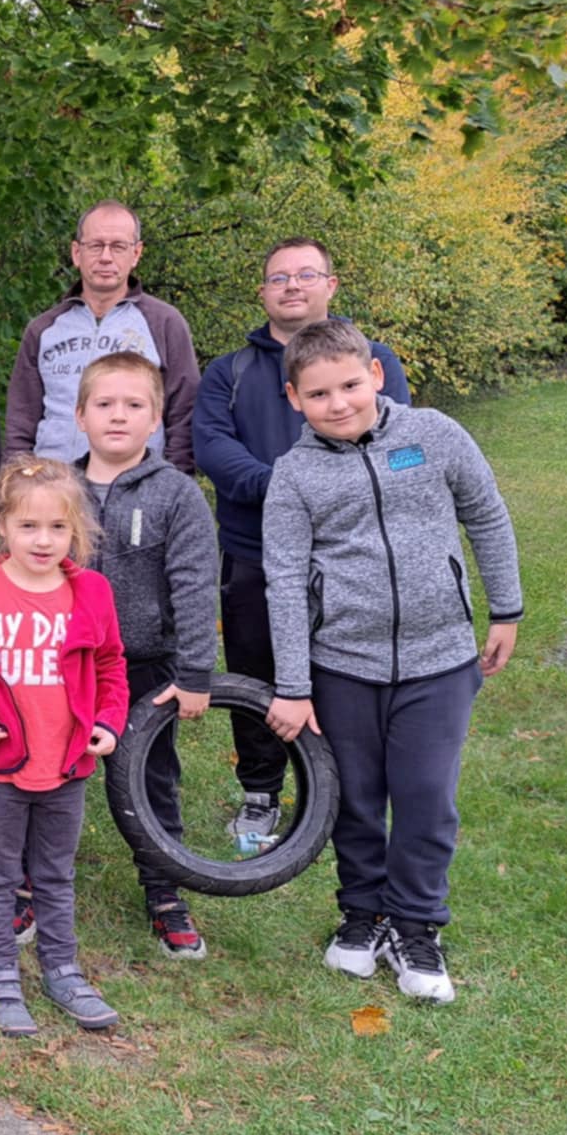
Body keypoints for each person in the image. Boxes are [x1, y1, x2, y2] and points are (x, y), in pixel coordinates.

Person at [262, 319, 521, 1005]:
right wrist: (293, 685)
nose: (338, 403)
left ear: (376, 375)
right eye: (319, 394)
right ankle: (363, 914)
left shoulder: (434, 435)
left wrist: (507, 609)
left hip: (441, 661)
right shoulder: (293, 476)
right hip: (342, 667)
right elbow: (283, 580)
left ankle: (415, 926)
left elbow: (486, 515)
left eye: (350, 385)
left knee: (426, 797)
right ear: (294, 398)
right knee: (354, 799)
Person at [193, 237, 411, 853]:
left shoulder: (375, 360)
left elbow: (393, 444)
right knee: (256, 680)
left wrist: (315, 495)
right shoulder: (229, 372)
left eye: (306, 275)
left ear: (330, 286)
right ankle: (260, 793)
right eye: (279, 277)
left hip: (349, 554)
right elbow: (212, 447)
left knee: (347, 677)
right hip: (254, 555)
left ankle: (342, 793)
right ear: (263, 292)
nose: (292, 285)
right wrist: (288, 490)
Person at [0, 456, 129, 1038]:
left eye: (57, 527)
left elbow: (111, 665)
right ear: (1, 526)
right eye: (28, 526)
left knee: (56, 874)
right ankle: (0, 974)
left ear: (76, 530)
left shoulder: (92, 593)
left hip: (66, 765)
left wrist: (109, 722)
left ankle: (62, 970)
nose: (43, 540)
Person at [73, 353, 220, 959]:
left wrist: (195, 671)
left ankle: (164, 890)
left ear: (155, 418)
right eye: (104, 404)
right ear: (80, 416)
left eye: (134, 405)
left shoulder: (177, 495)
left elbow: (195, 587)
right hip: (63, 667)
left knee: (150, 779)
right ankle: (29, 884)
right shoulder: (55, 490)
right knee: (43, 777)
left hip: (146, 666)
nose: (118, 416)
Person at [4, 200, 200, 474]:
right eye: (95, 246)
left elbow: (184, 414)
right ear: (76, 253)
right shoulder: (44, 329)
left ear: (136, 253)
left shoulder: (165, 323)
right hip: (54, 485)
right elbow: (21, 421)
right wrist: (18, 479)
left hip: (139, 484)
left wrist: (172, 482)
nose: (106, 257)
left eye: (118, 246)